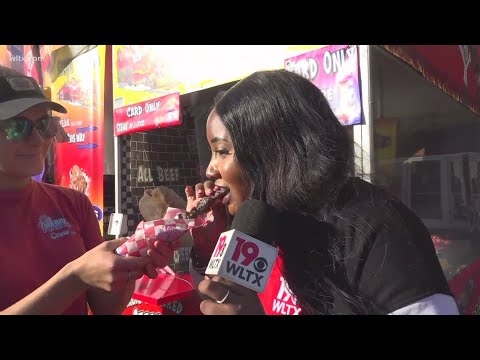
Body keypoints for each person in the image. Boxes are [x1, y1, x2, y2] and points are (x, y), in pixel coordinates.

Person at [176, 69, 459, 315]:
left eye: (222, 151)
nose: (210, 170)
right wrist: (208, 248)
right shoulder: (264, 225)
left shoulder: (378, 228)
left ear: (274, 151)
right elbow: (224, 298)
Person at [0, 65, 173, 315]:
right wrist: (74, 278)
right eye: (18, 127)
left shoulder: (72, 203)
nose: (37, 140)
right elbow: (78, 279)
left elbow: (105, 307)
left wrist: (132, 262)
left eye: (44, 124)